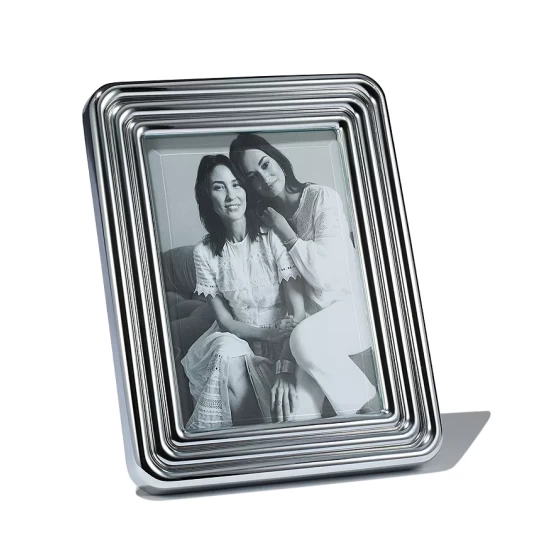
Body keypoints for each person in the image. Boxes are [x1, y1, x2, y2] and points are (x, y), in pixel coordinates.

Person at [230, 134, 380, 416]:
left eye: (265, 164)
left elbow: (326, 277)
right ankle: (352, 418)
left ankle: (365, 411)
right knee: (292, 414)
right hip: (309, 329)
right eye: (252, 177)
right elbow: (293, 304)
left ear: (278, 159)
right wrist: (284, 367)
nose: (264, 178)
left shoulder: (322, 198)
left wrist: (286, 232)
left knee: (305, 339)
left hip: (354, 313)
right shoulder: (264, 224)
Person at [182, 155, 325, 432]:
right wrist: (267, 335)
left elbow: (296, 311)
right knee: (226, 352)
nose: (230, 196)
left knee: (294, 413)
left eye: (236, 184)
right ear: (207, 196)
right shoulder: (204, 252)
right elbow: (226, 321)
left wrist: (284, 360)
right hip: (240, 338)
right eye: (219, 187)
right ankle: (244, 442)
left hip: (288, 336)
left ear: (246, 189)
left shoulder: (271, 235)